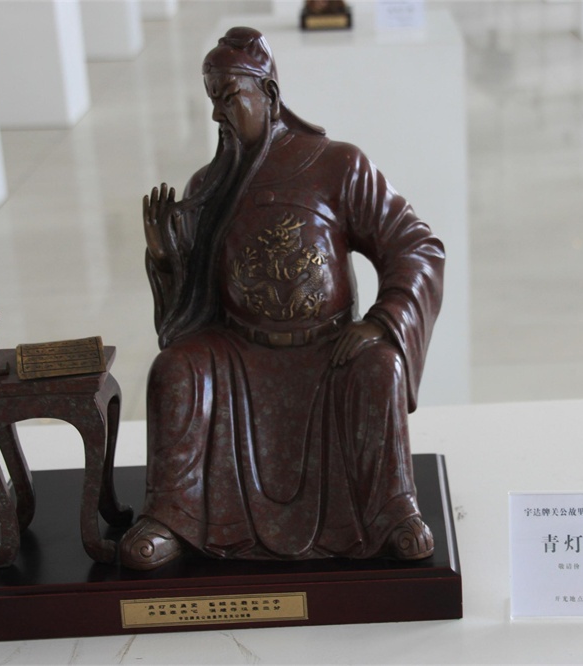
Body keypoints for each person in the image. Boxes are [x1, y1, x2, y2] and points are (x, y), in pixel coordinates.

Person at [119, 27, 445, 570]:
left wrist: (382, 321)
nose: (218, 114)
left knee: (380, 366)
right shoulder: (208, 185)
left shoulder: (338, 165)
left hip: (329, 349)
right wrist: (166, 257)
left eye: (229, 97)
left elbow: (414, 245)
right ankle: (173, 513)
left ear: (268, 93)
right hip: (238, 354)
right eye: (212, 100)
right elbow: (191, 309)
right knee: (174, 370)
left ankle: (392, 512)